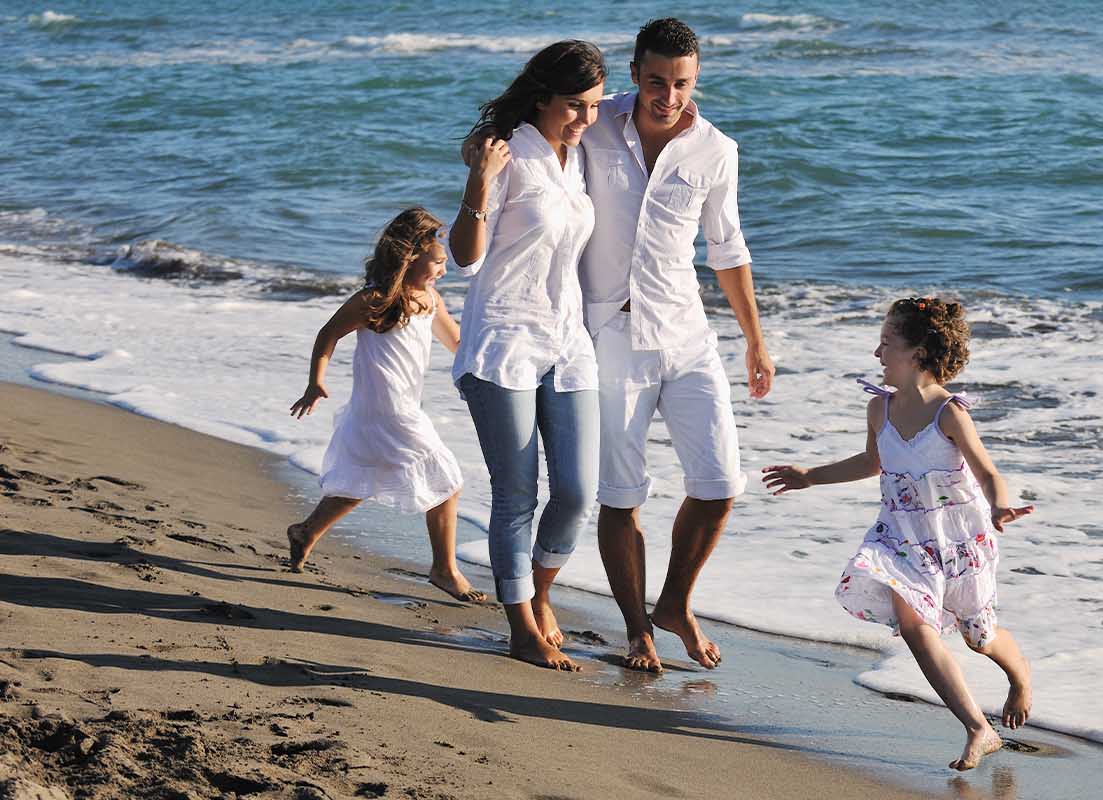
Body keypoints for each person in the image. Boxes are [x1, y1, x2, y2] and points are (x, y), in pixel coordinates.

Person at [466, 19, 774, 671]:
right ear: (635, 73)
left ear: (698, 79)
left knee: (720, 483)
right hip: (604, 334)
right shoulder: (594, 121)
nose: (668, 95)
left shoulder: (716, 150)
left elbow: (729, 249)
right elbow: (536, 117)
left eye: (682, 83)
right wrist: (481, 156)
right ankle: (636, 630)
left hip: (686, 332)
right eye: (657, 80)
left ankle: (675, 604)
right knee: (617, 494)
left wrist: (755, 339)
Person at [761, 297, 1034, 771]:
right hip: (900, 534)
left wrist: (999, 504)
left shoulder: (949, 413)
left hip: (957, 538)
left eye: (886, 343)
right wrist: (810, 476)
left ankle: (1020, 676)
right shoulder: (879, 408)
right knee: (913, 627)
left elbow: (987, 471)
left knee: (979, 637)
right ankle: (977, 728)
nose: (877, 353)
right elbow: (873, 462)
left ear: (918, 353)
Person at [448, 40, 608, 672]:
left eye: (592, 106)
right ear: (542, 97)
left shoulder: (576, 157)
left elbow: (639, 103)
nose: (585, 118)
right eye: (574, 105)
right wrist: (478, 179)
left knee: (575, 492)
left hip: (568, 344)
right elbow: (466, 258)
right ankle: (519, 624)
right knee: (517, 494)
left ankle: (541, 595)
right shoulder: (506, 154)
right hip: (503, 343)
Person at [286, 208, 483, 605]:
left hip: (400, 407)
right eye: (438, 262)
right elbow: (328, 333)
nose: (443, 270)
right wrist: (315, 382)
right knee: (447, 481)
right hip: (387, 410)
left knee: (364, 481)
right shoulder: (373, 300)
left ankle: (305, 531)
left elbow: (458, 343)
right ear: (410, 256)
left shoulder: (429, 299)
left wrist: (487, 365)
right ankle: (444, 569)